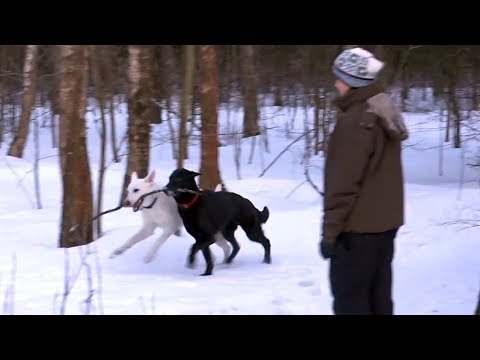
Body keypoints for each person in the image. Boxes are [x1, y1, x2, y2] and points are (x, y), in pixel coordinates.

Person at [319, 47, 409, 315]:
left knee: (352, 304)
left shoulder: (355, 122)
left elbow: (342, 187)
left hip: (356, 233)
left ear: (351, 81)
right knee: (378, 300)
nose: (336, 83)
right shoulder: (382, 112)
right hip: (383, 229)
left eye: (339, 77)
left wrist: (330, 235)